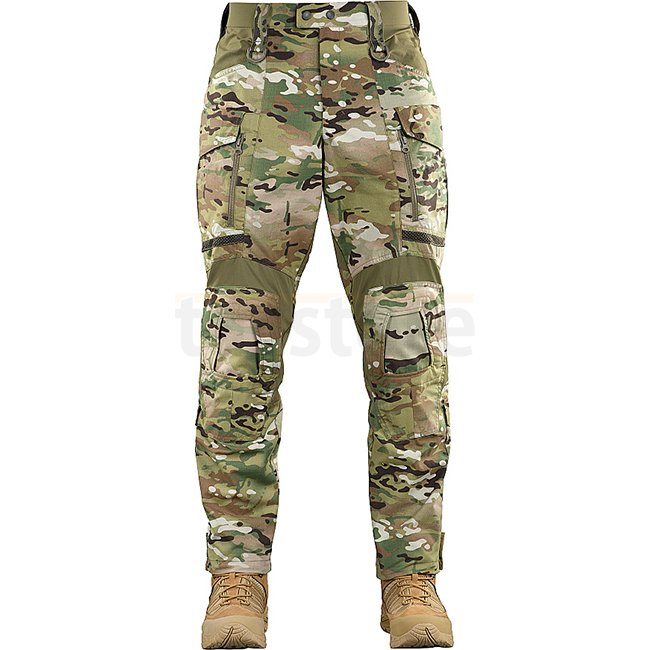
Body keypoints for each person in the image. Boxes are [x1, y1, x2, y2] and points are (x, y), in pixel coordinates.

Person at [194, 2, 453, 647]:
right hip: (258, 72)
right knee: (239, 341)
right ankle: (238, 574)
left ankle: (411, 575)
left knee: (408, 340)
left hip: (384, 71)